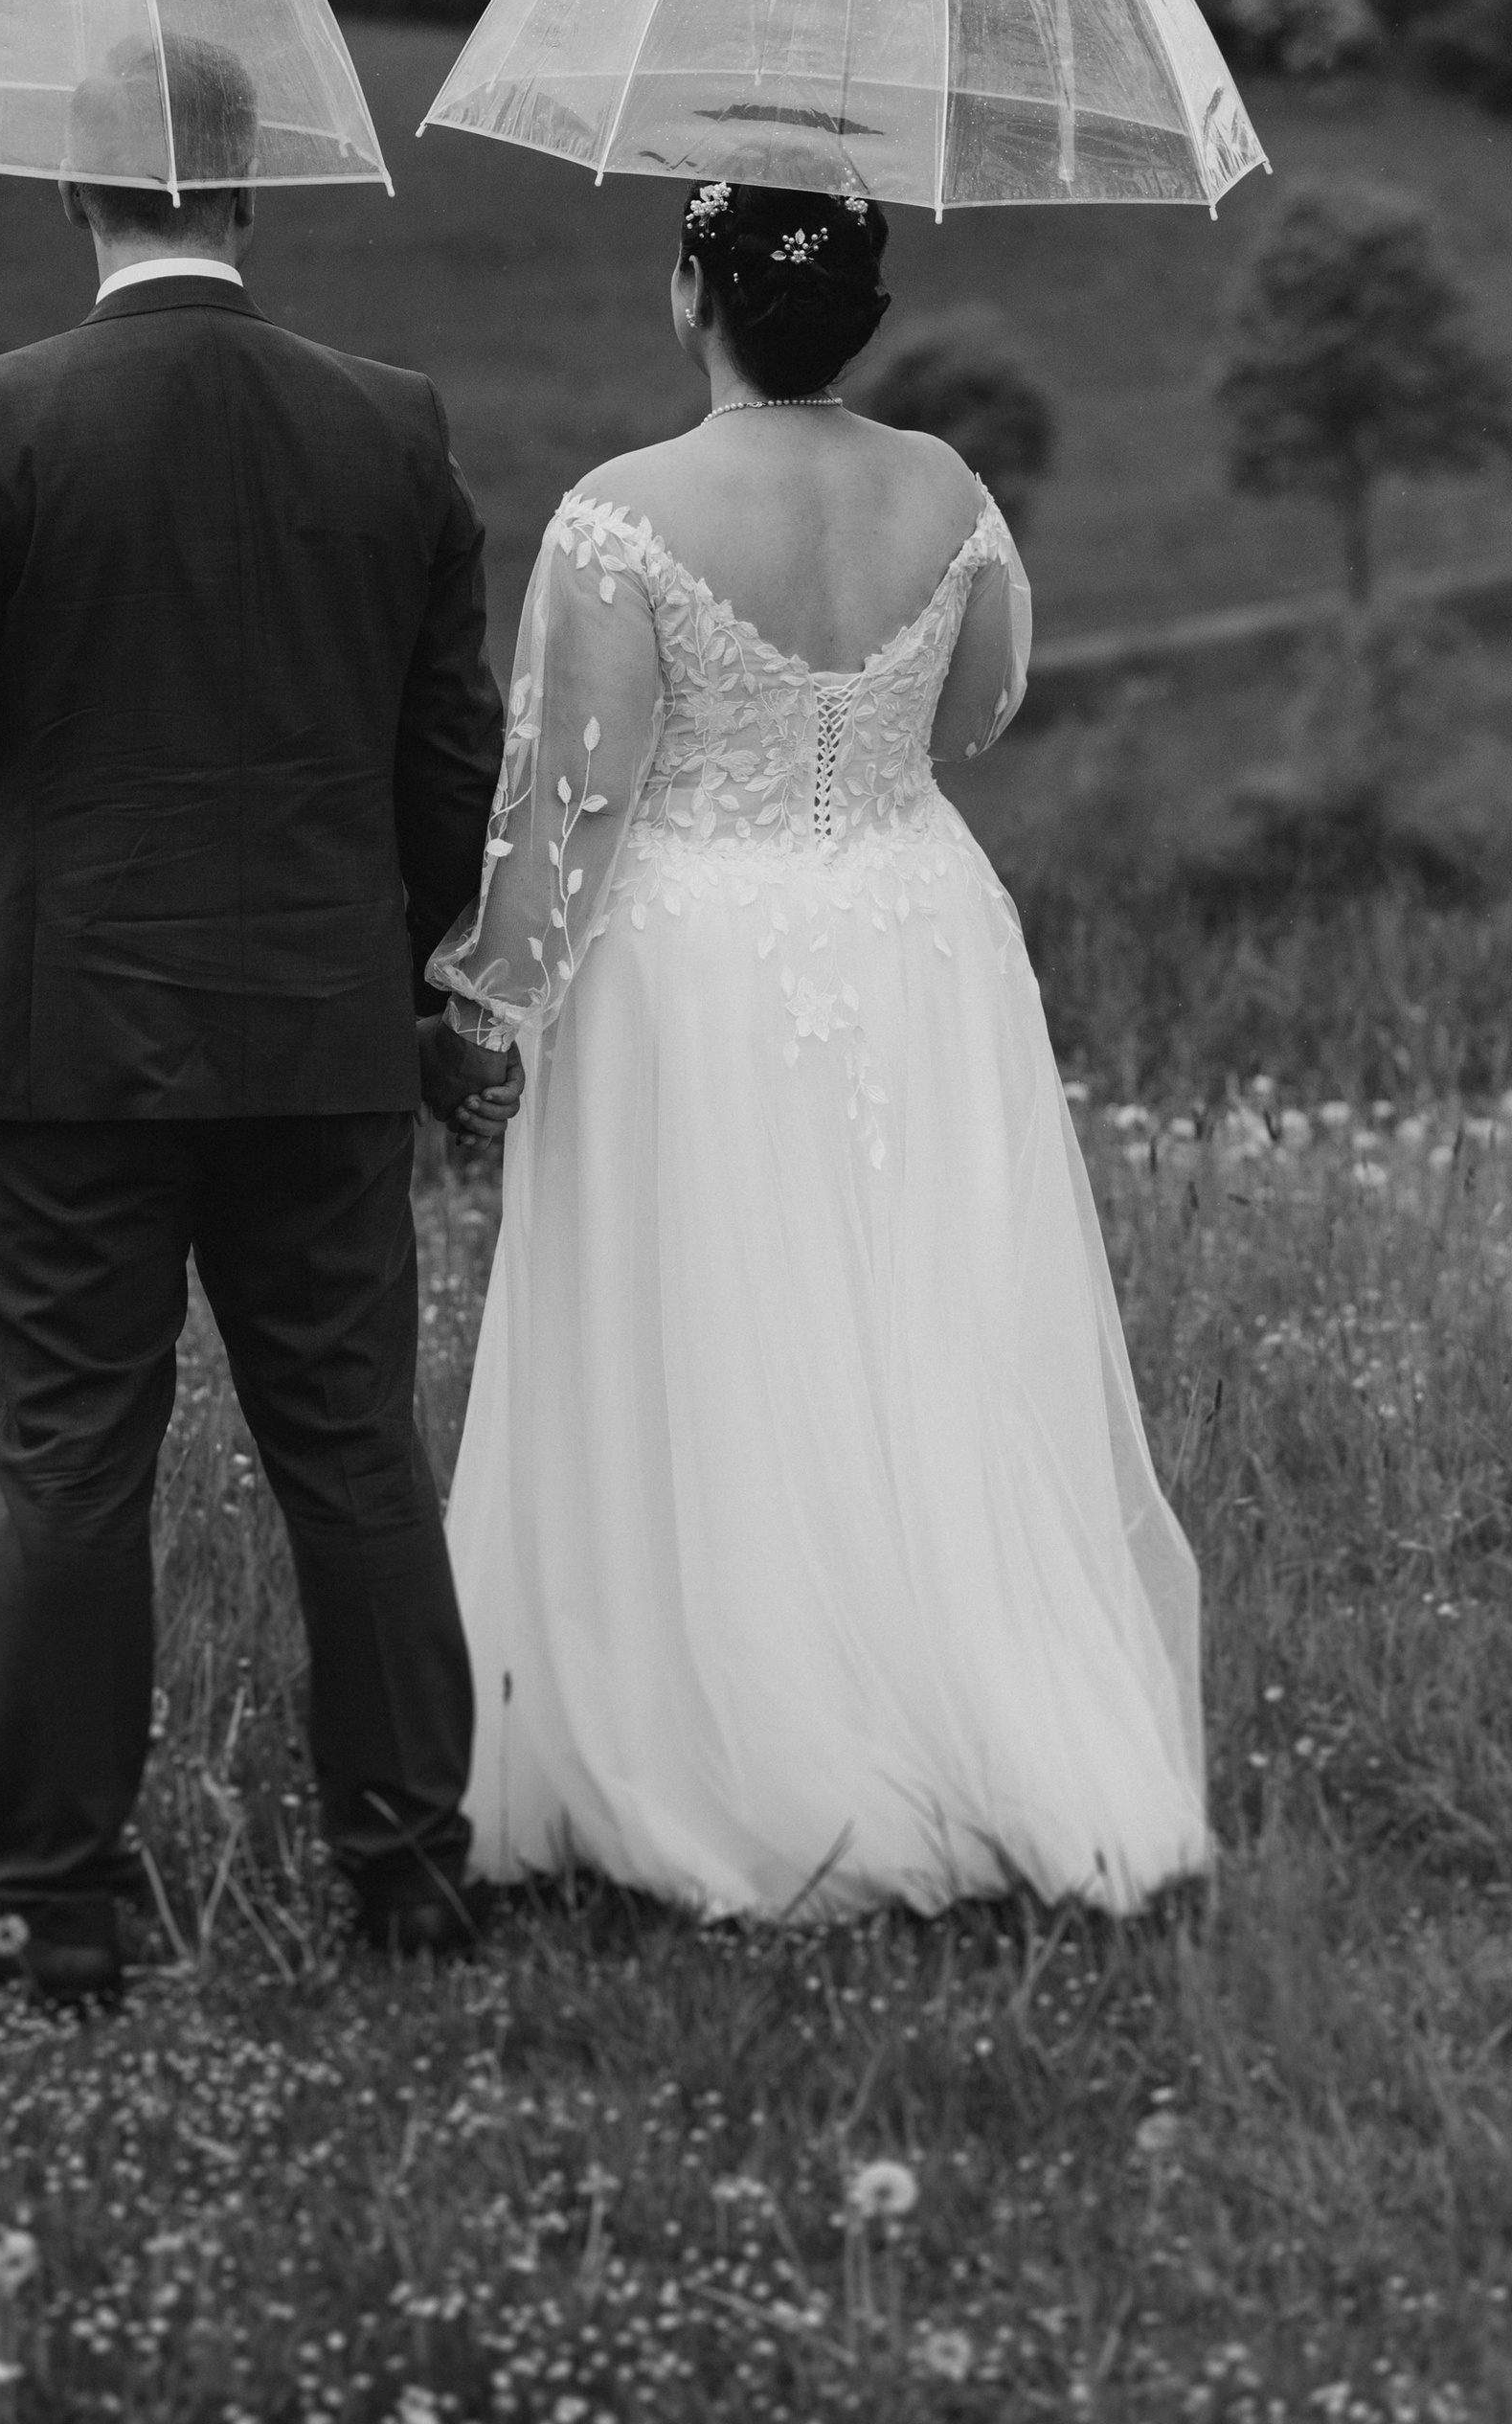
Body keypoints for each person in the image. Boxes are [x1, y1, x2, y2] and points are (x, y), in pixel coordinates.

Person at [431, 180, 1209, 1919]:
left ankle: (729, 1741)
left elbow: (572, 794)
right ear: (855, 312)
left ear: (695, 287)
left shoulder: (619, 518)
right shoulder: (948, 489)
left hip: (695, 957)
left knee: (707, 1327)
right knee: (924, 1325)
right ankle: (970, 1715)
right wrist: (859, 756)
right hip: (919, 931)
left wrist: (493, 1004)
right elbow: (988, 701)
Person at [0, 35, 514, 1999]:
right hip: (313, 1030)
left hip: (67, 1040)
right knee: (354, 1451)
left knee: (72, 1462)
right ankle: (408, 1875)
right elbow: (445, 762)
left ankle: (52, 1904)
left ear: (75, 197)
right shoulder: (391, 424)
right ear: (246, 189)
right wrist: (414, 987)